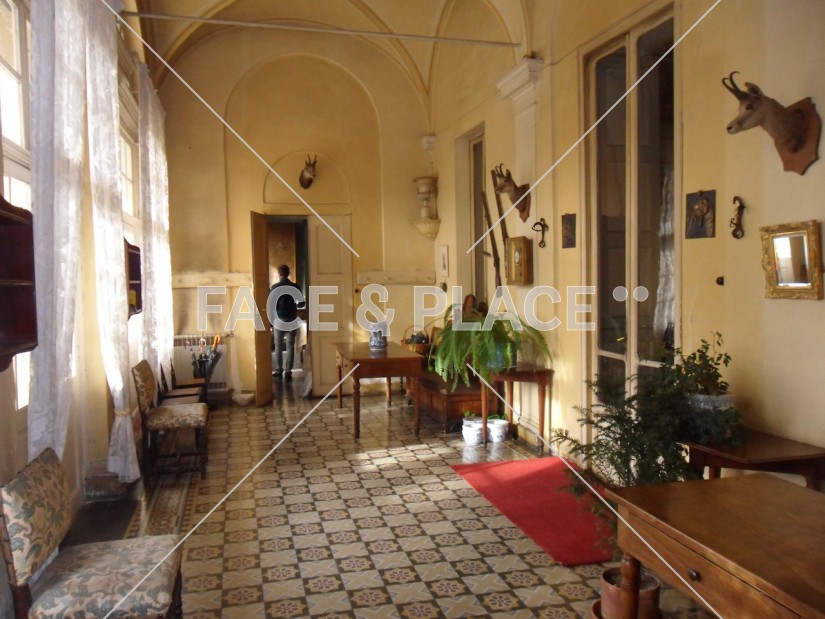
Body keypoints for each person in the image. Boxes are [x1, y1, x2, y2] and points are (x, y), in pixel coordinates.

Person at [269, 264, 303, 381]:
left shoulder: (274, 287)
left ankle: (279, 370)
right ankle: (288, 371)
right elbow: (301, 303)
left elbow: (271, 305)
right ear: (288, 273)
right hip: (292, 318)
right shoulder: (295, 287)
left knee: (278, 346)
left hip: (279, 319)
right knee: (290, 346)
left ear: (279, 274)